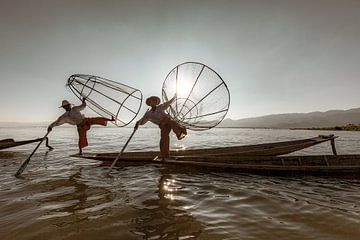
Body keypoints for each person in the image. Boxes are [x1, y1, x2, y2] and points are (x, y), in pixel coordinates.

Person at [47, 98, 114, 154]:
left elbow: (82, 106)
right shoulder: (65, 116)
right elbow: (57, 122)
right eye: (66, 106)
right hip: (80, 126)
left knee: (97, 119)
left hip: (85, 120)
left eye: (68, 105)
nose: (67, 107)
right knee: (81, 138)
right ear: (64, 107)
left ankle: (111, 119)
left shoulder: (75, 108)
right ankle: (80, 151)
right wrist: (51, 126)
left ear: (69, 105)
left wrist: (83, 101)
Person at [135, 95, 187, 159]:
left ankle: (180, 132)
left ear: (156, 102)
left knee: (172, 122)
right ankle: (165, 156)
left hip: (167, 121)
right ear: (149, 103)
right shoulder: (148, 114)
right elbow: (142, 122)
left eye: (155, 101)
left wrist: (174, 97)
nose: (154, 102)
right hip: (163, 126)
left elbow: (168, 103)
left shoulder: (160, 107)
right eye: (152, 101)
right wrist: (137, 123)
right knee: (164, 139)